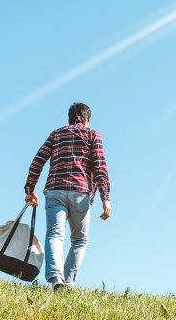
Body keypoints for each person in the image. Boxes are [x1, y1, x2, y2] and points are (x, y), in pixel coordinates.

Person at [24, 102, 111, 291]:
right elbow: (100, 168)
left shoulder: (56, 134)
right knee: (79, 240)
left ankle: (56, 279)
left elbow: (38, 160)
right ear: (86, 119)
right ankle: (69, 281)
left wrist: (30, 189)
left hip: (55, 190)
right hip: (81, 192)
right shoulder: (93, 135)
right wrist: (106, 198)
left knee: (55, 235)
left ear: (70, 119)